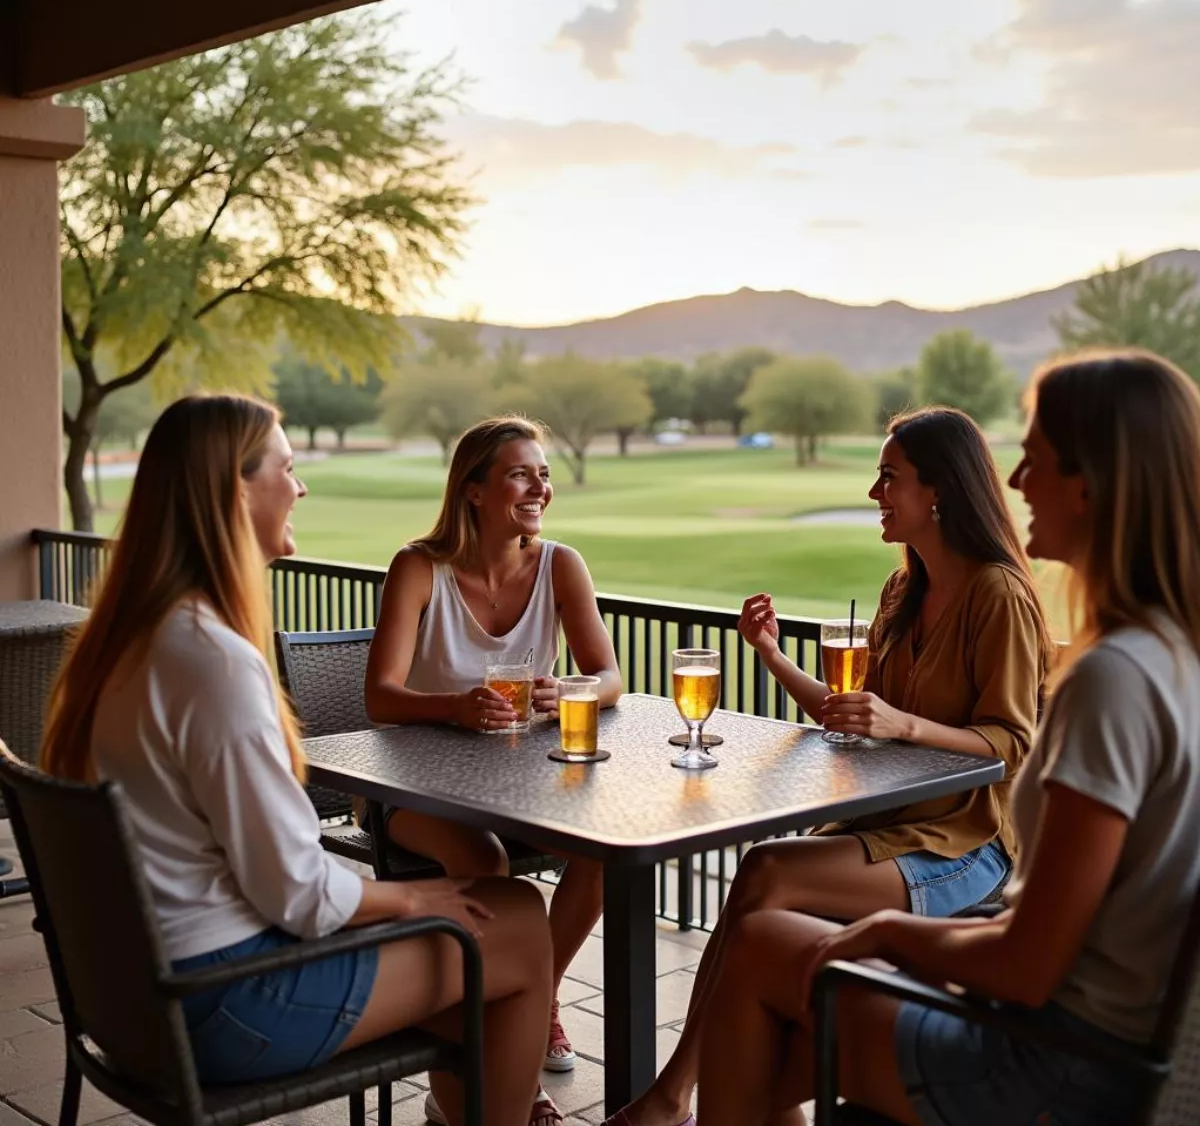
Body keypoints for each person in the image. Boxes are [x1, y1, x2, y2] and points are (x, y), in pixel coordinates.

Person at [695, 348, 1200, 1125]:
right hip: (1091, 1043)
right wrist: (772, 656)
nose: (1018, 482)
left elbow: (1028, 966)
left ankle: (666, 1102)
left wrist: (889, 932)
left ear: (1095, 483)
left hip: (1047, 1063)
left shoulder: (1112, 679)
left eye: (1034, 460)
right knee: (763, 1032)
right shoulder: (1171, 659)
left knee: (762, 949)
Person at [39, 395, 555, 1126]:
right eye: (288, 467)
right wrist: (410, 900)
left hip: (130, 999)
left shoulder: (126, 641)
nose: (301, 486)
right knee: (518, 924)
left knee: (484, 940)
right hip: (224, 1004)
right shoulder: (211, 661)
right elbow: (300, 894)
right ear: (233, 491)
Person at [611, 407, 1053, 1126]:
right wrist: (773, 656)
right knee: (769, 886)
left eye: (890, 478)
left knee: (765, 873)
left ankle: (670, 1096)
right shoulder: (900, 592)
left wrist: (905, 722)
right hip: (887, 826)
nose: (876, 491)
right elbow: (851, 713)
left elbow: (1014, 745)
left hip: (964, 846)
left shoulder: (997, 594)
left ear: (939, 490)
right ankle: (720, 1104)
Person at [365, 415, 622, 1097]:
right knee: (488, 864)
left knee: (604, 852)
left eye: (543, 473)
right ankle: (508, 1038)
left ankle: (537, 996)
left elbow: (610, 676)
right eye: (520, 473)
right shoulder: (418, 567)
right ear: (473, 490)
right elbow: (381, 697)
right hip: (411, 789)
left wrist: (567, 690)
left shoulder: (562, 565)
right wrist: (453, 705)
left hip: (516, 782)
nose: (540, 485)